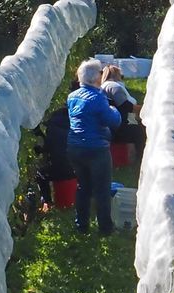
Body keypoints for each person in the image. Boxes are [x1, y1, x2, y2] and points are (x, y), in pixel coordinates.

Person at [67, 58, 122, 235]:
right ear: (95, 78)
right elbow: (113, 121)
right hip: (96, 148)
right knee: (102, 189)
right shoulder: (98, 97)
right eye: (100, 73)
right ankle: (105, 228)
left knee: (83, 186)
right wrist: (114, 110)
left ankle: (81, 226)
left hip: (75, 147)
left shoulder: (72, 97)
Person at [101, 64, 146, 160]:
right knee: (138, 130)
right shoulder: (114, 87)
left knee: (136, 126)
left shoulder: (105, 86)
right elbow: (127, 107)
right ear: (117, 75)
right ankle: (139, 155)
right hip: (123, 119)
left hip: (120, 117)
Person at [33, 105, 74, 211]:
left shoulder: (52, 130)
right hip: (77, 170)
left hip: (62, 171)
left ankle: (48, 202)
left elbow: (46, 148)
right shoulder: (75, 128)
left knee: (41, 174)